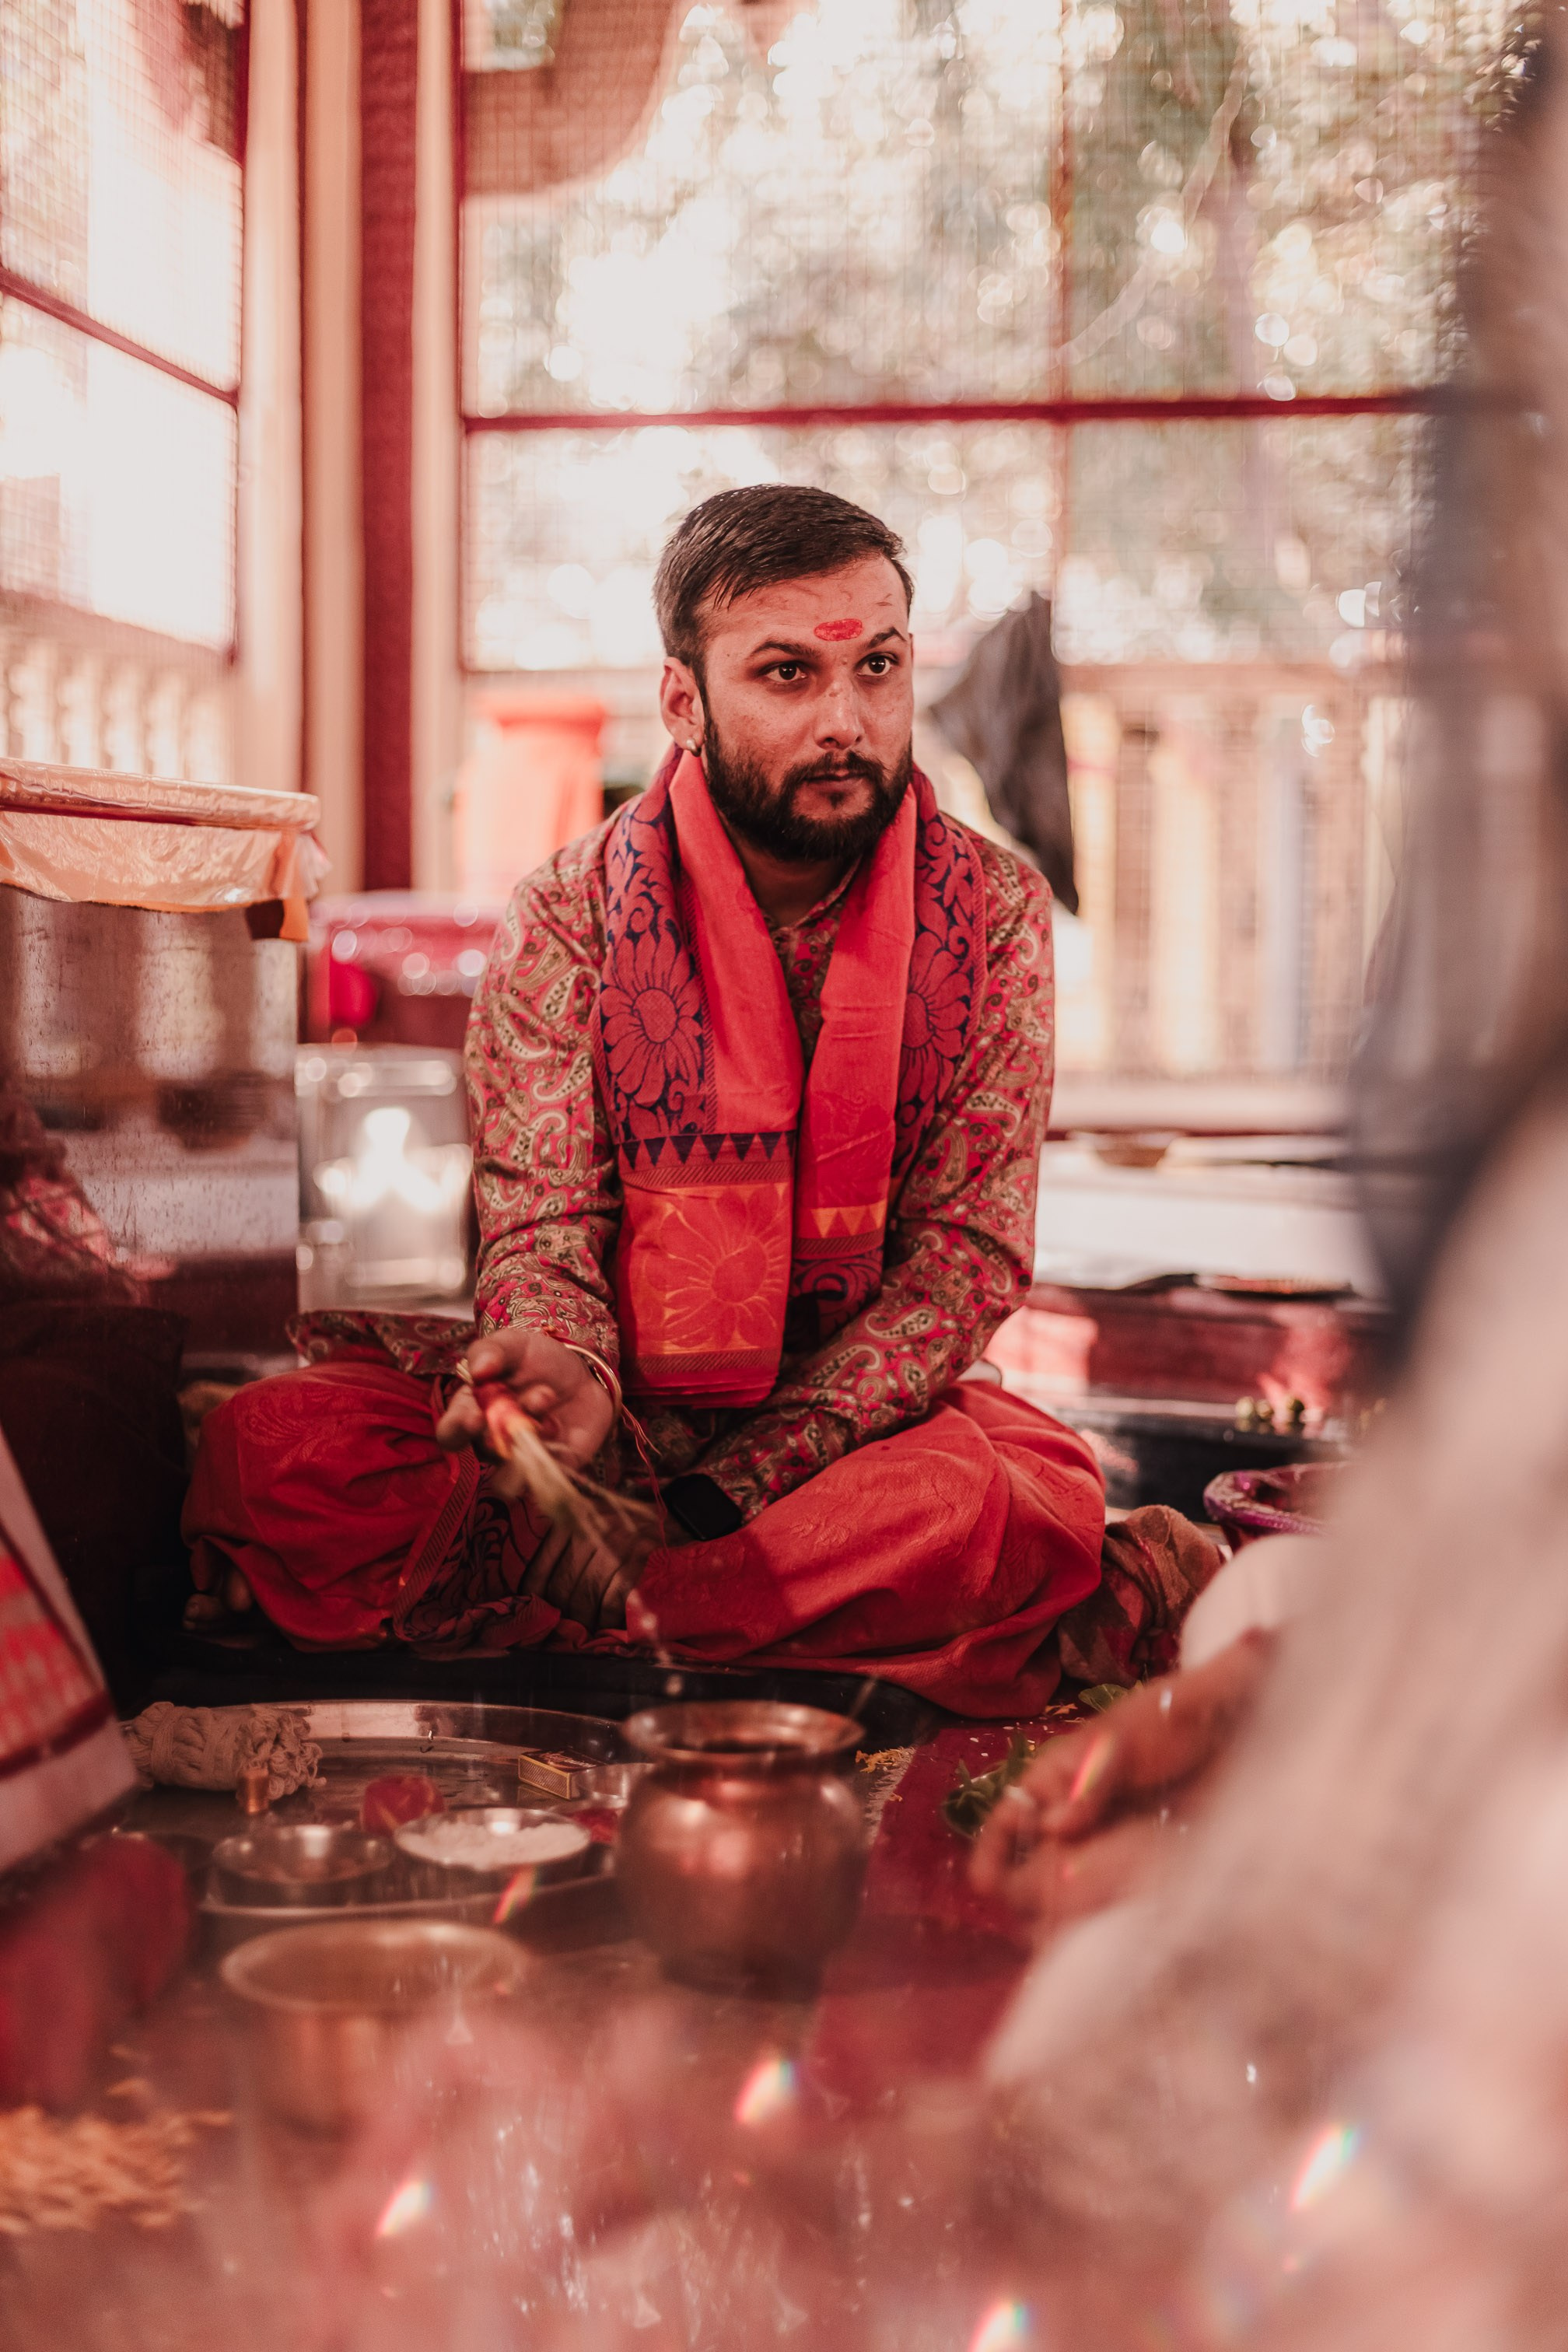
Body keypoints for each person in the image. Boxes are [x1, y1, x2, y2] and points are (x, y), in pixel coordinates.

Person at [184, 487, 1213, 1713]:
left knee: (982, 1507)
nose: (847, 721)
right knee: (276, 1451)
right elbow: (541, 1225)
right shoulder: (569, 913)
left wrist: (723, 1497)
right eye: (787, 674)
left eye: (877, 669)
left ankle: (615, 1607)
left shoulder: (992, 914)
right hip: (606, 1423)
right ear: (685, 700)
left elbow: (964, 1263)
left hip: (849, 1436)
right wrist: (562, 1388)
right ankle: (718, 1611)